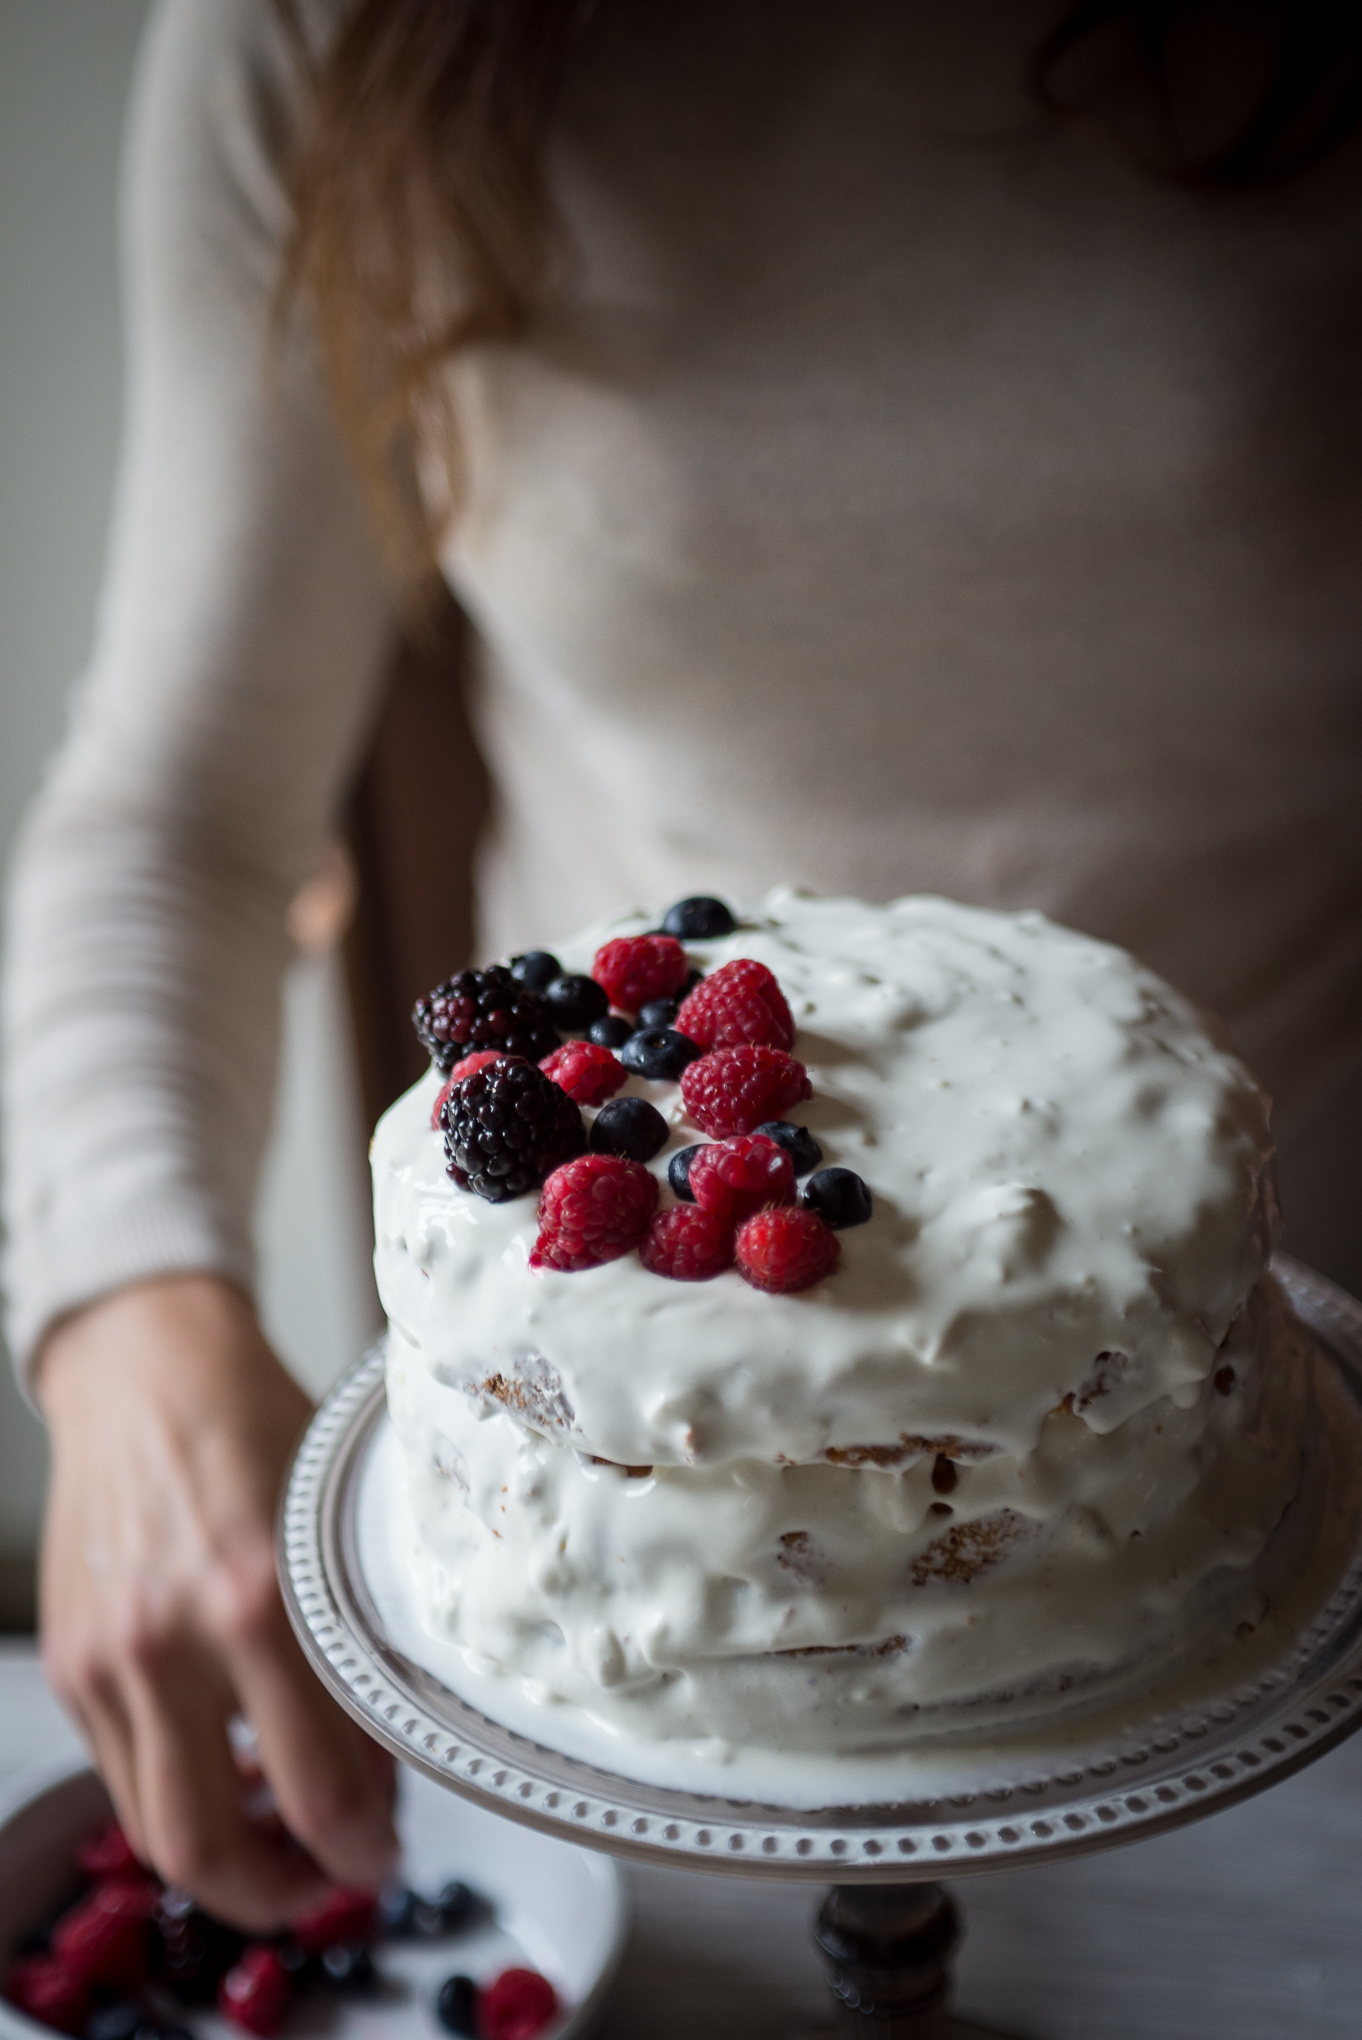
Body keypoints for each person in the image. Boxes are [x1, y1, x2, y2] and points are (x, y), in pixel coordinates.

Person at [4, 0, 1361, 1931]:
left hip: (1285, 1483)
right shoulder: (339, 35)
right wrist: (128, 1315)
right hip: (624, 1535)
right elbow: (182, 810)